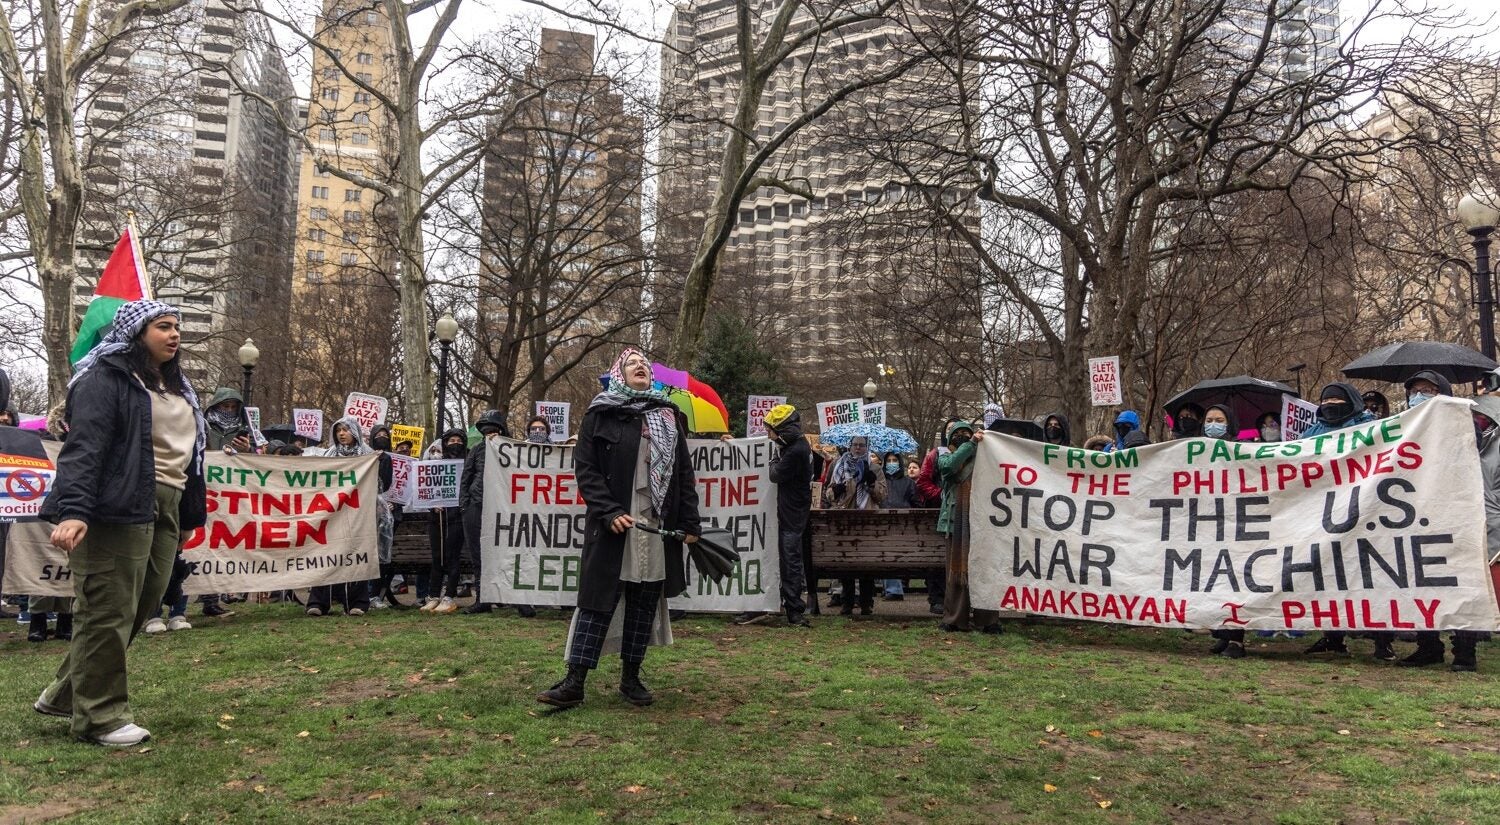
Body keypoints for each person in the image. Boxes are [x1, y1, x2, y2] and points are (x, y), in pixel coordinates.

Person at [32, 299, 207, 747]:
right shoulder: (103, 378)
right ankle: (100, 718)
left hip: (166, 505)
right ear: (136, 332)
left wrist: (187, 513)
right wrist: (74, 510)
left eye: (177, 328)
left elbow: (192, 458)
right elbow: (85, 447)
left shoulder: (179, 387)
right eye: (163, 326)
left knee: (143, 604)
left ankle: (66, 693)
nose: (174, 335)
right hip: (116, 504)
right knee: (107, 609)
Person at [537, 349, 701, 709]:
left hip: (655, 525)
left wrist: (690, 521)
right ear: (618, 374)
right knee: (598, 601)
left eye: (644, 363)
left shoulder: (668, 415)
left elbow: (683, 475)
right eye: (631, 364)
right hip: (614, 525)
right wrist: (609, 511)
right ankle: (574, 681)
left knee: (644, 602)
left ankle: (631, 678)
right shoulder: (601, 412)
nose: (640, 366)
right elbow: (586, 469)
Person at [1404, 394, 1500, 672]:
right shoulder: (1427, 443)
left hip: (1475, 526)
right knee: (1426, 585)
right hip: (1432, 523)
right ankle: (1428, 646)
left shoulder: (1487, 445)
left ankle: (1465, 652)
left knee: (1465, 588)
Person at [1298, 383, 1390, 660]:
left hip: (1365, 512)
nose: (1331, 404)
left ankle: (1383, 642)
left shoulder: (1370, 427)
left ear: (1352, 402)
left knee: (1371, 576)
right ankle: (1333, 637)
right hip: (1324, 515)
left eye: (1338, 399)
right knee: (1327, 575)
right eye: (1327, 399)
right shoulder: (1312, 432)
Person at [734, 404, 812, 627]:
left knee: (790, 561)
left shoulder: (796, 450)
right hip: (787, 512)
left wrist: (772, 459)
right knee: (782, 560)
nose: (768, 436)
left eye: (771, 431)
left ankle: (794, 610)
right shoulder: (793, 445)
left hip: (791, 516)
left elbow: (775, 475)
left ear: (784, 430)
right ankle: (780, 605)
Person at [306, 418, 373, 617]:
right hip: (331, 512)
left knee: (356, 555)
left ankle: (357, 603)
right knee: (325, 555)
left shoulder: (368, 456)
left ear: (355, 432)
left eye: (346, 430)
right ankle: (318, 602)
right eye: (338, 431)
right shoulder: (328, 456)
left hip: (357, 513)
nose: (342, 434)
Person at [938, 420, 1000, 633]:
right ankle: (955, 618)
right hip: (955, 523)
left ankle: (988, 620)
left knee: (984, 572)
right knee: (956, 574)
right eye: (958, 434)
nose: (963, 436)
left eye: (967, 432)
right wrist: (971, 443)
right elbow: (949, 468)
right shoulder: (945, 457)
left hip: (982, 521)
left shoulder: (984, 459)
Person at [823, 435, 886, 616]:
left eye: (862, 445)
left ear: (867, 447)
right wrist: (835, 491)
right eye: (855, 445)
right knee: (846, 563)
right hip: (845, 519)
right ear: (849, 446)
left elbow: (882, 495)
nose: (858, 448)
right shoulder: (837, 466)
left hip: (866, 519)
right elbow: (828, 493)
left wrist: (871, 483)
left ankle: (866, 602)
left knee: (866, 563)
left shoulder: (875, 468)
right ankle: (847, 602)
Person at [421, 428, 469, 614]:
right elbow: (425, 487)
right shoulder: (435, 464)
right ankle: (433, 596)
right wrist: (432, 504)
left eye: (458, 440)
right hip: (436, 516)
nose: (455, 443)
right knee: (437, 557)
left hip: (456, 517)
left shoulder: (466, 462)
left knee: (452, 557)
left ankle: (449, 596)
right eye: (451, 440)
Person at [879, 450, 918, 601]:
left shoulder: (908, 482)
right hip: (882, 522)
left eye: (894, 460)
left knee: (891, 555)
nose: (891, 463)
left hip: (903, 523)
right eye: (888, 461)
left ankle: (894, 589)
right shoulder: (880, 481)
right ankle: (891, 588)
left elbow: (916, 502)